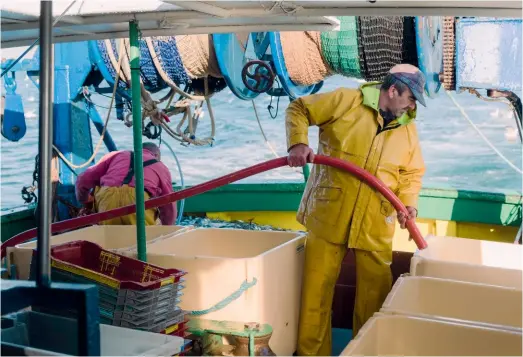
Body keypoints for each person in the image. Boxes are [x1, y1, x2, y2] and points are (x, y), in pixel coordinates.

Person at [286, 64, 427, 356]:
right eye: (410, 98)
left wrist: (409, 203)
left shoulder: (408, 128)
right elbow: (299, 108)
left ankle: (366, 353)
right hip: (328, 216)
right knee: (316, 295)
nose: (412, 106)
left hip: (376, 223)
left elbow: (411, 174)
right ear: (392, 90)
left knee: (375, 299)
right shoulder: (345, 101)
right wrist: (298, 143)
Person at [75, 142, 177, 225]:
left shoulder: (115, 155)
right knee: (143, 241)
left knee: (107, 239)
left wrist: (85, 202)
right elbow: (168, 202)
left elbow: (82, 180)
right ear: (156, 155)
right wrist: (167, 227)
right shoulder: (160, 166)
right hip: (138, 201)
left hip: (107, 198)